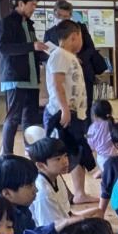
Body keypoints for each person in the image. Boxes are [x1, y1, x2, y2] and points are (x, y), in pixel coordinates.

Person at [44, 19, 97, 205]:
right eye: (81, 36)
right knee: (61, 154)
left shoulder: (68, 55)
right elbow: (57, 84)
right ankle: (90, 172)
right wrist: (65, 109)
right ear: (75, 36)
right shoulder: (59, 55)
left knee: (76, 151)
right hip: (62, 114)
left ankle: (79, 193)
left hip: (74, 113)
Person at [0, 0, 49, 155]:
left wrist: (51, 54)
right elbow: (3, 47)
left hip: (31, 77)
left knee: (30, 118)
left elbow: (32, 51)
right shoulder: (6, 23)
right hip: (15, 77)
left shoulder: (29, 25)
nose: (34, 9)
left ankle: (31, 150)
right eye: (32, 5)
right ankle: (7, 155)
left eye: (35, 5)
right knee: (13, 118)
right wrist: (32, 46)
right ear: (20, 3)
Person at [44, 0, 107, 116]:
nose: (62, 18)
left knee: (85, 106)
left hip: (83, 71)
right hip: (61, 73)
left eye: (65, 16)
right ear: (54, 14)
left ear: (70, 16)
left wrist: (76, 58)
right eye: (59, 15)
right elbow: (46, 53)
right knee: (62, 101)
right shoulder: (49, 33)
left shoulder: (79, 28)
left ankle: (85, 125)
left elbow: (90, 48)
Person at [0, 154, 39, 234]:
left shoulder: (22, 208)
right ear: (7, 194)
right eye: (29, 186)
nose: (36, 190)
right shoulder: (1, 221)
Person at [87, 98, 117, 172]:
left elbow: (89, 142)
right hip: (115, 155)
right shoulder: (112, 124)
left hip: (102, 157)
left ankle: (102, 172)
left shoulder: (92, 127)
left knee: (107, 173)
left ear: (94, 114)